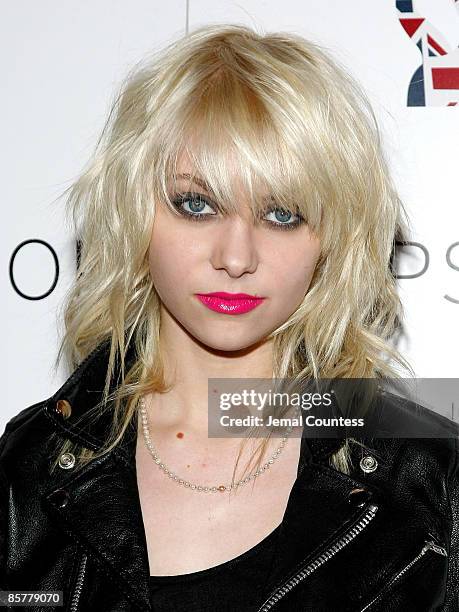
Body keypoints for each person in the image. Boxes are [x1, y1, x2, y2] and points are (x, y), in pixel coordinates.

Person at [1, 23, 458, 612]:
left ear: (332, 240)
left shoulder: (426, 481)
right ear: (134, 213)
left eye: (283, 214)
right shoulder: (28, 474)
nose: (236, 258)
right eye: (197, 204)